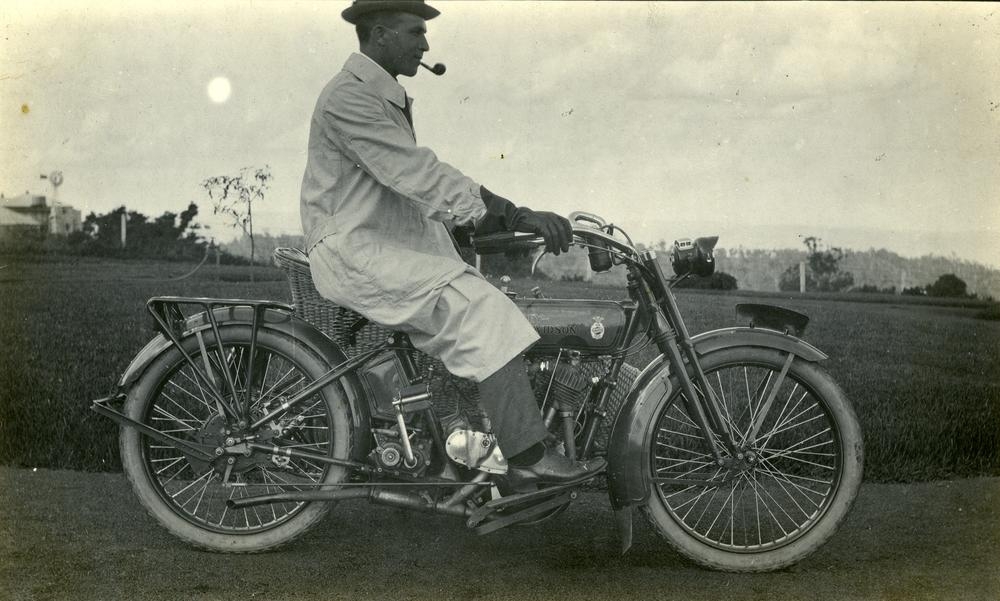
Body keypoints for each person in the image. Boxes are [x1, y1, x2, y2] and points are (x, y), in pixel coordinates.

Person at [300, 0, 605, 484]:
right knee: (485, 314)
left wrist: (494, 224)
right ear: (379, 36)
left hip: (383, 248)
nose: (425, 44)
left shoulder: (380, 95)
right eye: (416, 32)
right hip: (355, 252)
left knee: (487, 311)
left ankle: (459, 458)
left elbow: (408, 188)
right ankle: (527, 460)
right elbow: (417, 173)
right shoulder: (350, 97)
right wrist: (510, 212)